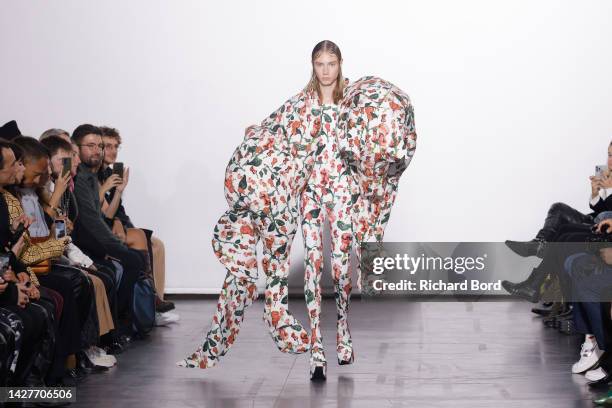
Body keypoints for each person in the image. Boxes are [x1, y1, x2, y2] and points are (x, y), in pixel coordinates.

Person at [299, 40, 355, 381]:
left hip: (341, 190)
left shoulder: (351, 101)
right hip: (310, 191)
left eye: (331, 63)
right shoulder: (302, 103)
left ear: (339, 64)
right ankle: (316, 345)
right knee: (312, 263)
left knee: (341, 266)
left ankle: (343, 329)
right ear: (312, 65)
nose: (325, 69)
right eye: (320, 63)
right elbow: (281, 133)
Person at [98, 126, 175, 315]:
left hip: (117, 225)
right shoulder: (95, 176)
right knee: (146, 240)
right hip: (103, 230)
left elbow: (117, 210)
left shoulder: (109, 174)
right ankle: (150, 301)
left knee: (157, 245)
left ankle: (154, 300)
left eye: (116, 146)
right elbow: (102, 211)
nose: (113, 151)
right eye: (108, 146)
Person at [505, 141, 612, 258]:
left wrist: (610, 188)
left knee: (562, 232)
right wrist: (595, 193)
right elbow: (602, 210)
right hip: (596, 218)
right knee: (558, 208)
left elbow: (608, 214)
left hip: (604, 227)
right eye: (609, 155)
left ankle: (542, 262)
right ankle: (539, 243)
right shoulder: (606, 175)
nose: (609, 161)